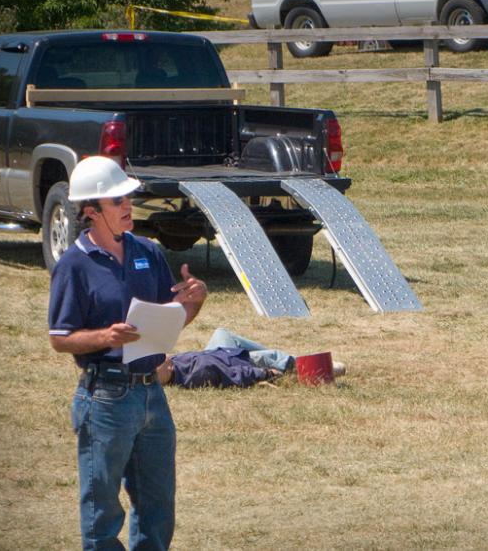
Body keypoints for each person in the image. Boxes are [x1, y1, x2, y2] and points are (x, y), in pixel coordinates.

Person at [48, 156, 208, 550]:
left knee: (157, 507)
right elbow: (60, 337)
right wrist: (106, 337)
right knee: (102, 512)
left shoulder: (148, 252)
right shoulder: (74, 266)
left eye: (127, 197)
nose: (127, 206)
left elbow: (167, 320)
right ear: (91, 212)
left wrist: (195, 302)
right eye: (117, 200)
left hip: (153, 392)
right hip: (105, 399)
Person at [155, 328, 347, 388]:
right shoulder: (199, 373)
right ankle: (312, 369)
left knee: (222, 332)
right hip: (233, 360)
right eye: (159, 361)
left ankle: (287, 360)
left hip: (218, 352)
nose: (162, 356)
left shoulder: (176, 362)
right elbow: (234, 374)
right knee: (266, 358)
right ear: (168, 370)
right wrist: (263, 373)